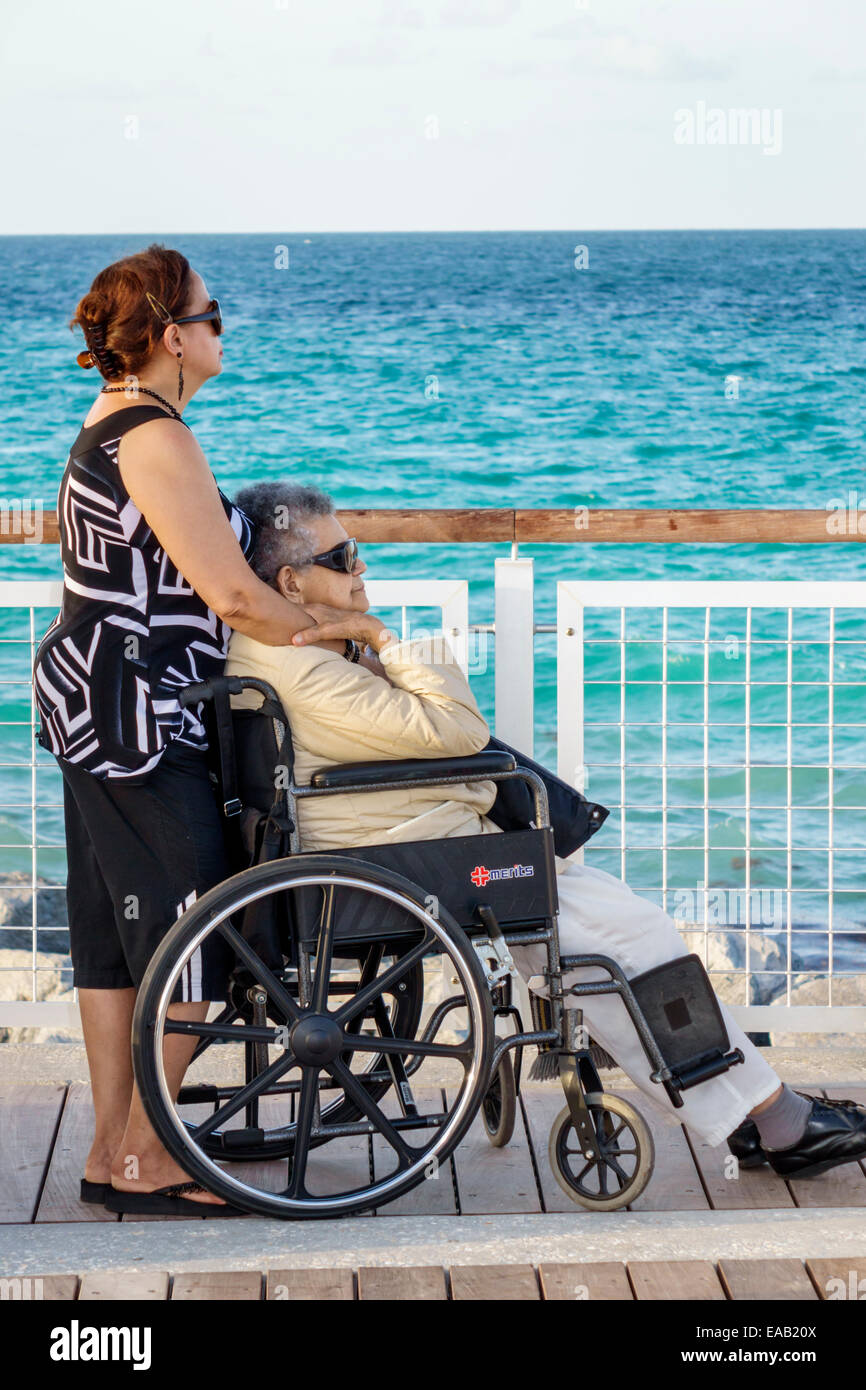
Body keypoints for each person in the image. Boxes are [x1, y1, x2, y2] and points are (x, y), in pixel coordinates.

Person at [225, 480, 866, 1179]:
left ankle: (758, 1113)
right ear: (291, 579)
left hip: (410, 845)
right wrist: (383, 639)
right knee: (627, 942)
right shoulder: (309, 669)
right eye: (345, 556)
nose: (362, 569)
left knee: (612, 930)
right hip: (414, 860)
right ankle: (774, 1119)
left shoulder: (292, 655)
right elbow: (461, 731)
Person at [32, 246, 372, 1217]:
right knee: (203, 937)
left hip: (97, 697)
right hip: (136, 711)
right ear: (172, 336)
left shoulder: (121, 425)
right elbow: (228, 592)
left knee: (111, 943)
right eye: (213, 315)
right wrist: (345, 628)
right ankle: (146, 1155)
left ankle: (113, 1153)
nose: (225, 329)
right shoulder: (156, 436)